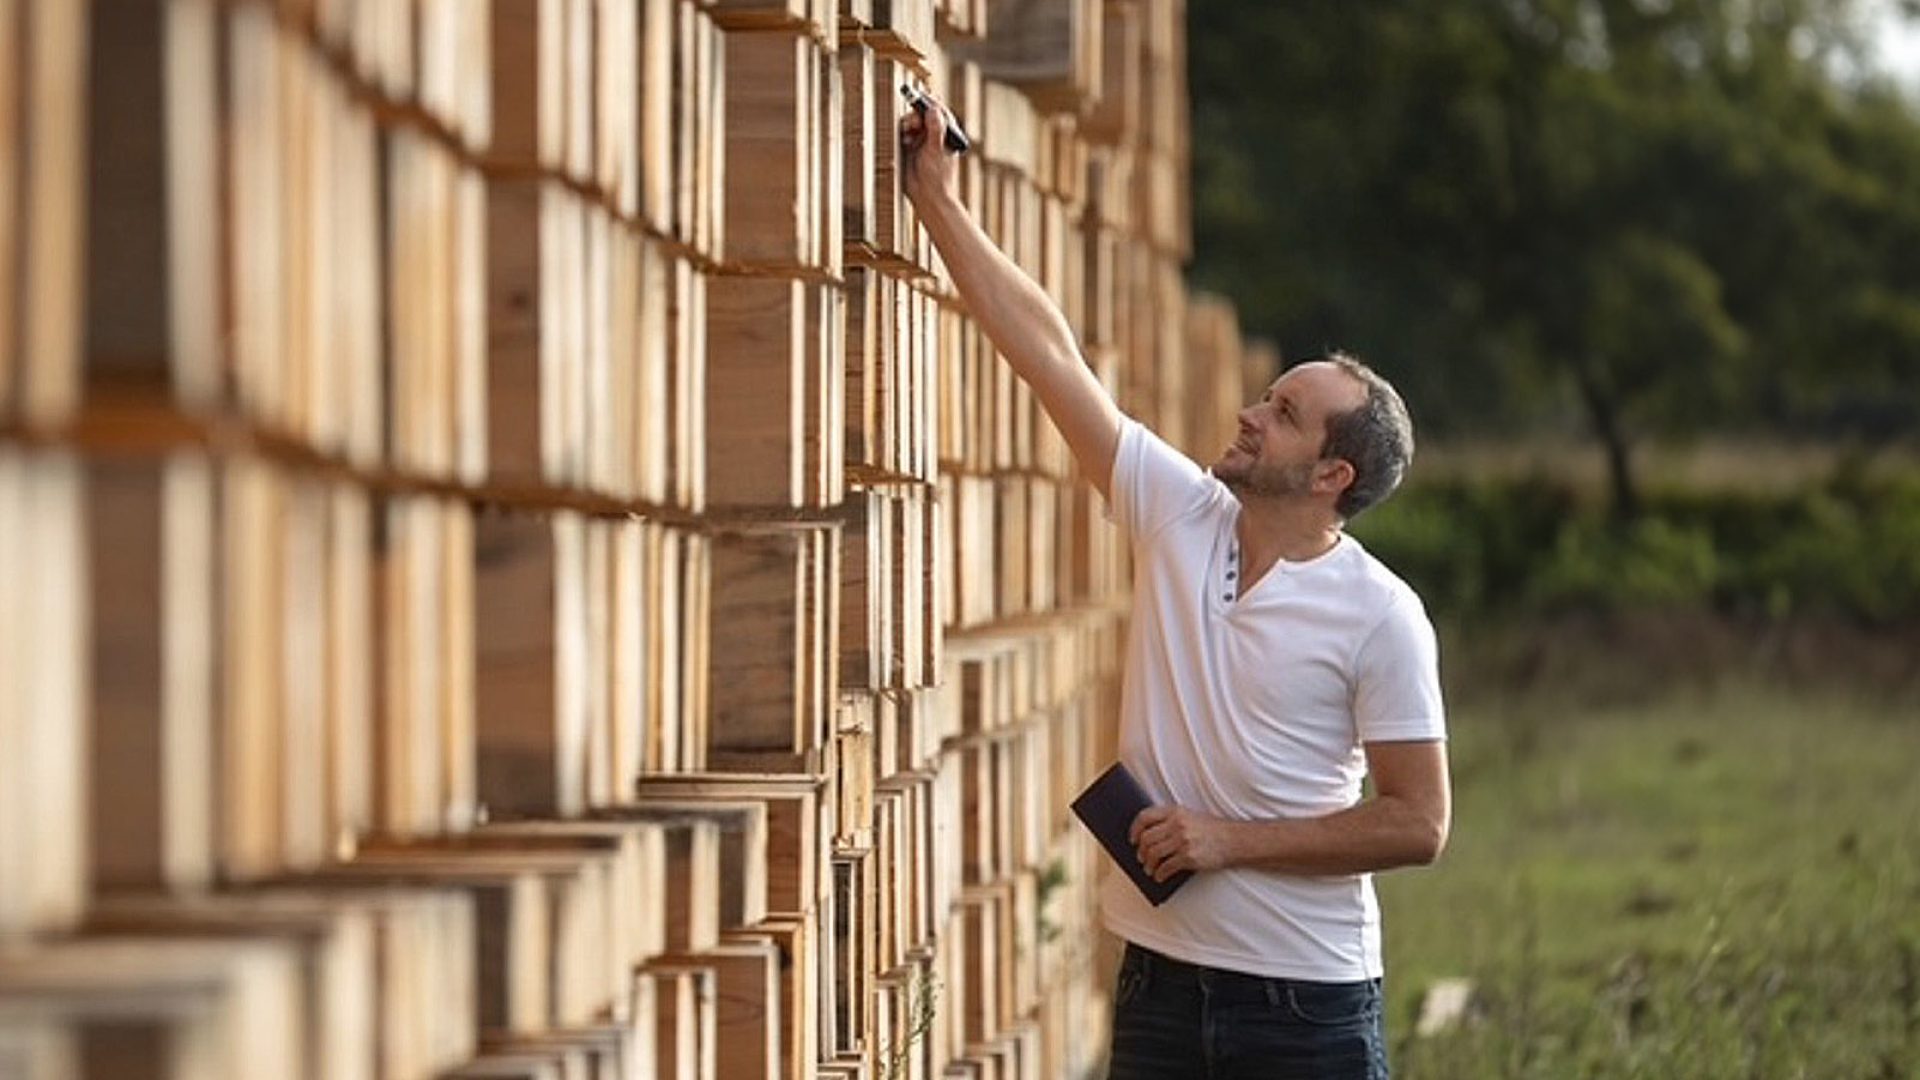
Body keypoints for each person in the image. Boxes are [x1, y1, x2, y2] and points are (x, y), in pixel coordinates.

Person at [900, 95, 1452, 1080]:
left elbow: (1419, 822)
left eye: (1282, 414)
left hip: (1304, 1006)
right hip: (1157, 984)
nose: (1247, 415)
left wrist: (1225, 840)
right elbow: (1051, 356)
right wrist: (936, 199)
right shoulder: (1181, 514)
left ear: (1335, 477)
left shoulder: (1382, 616)